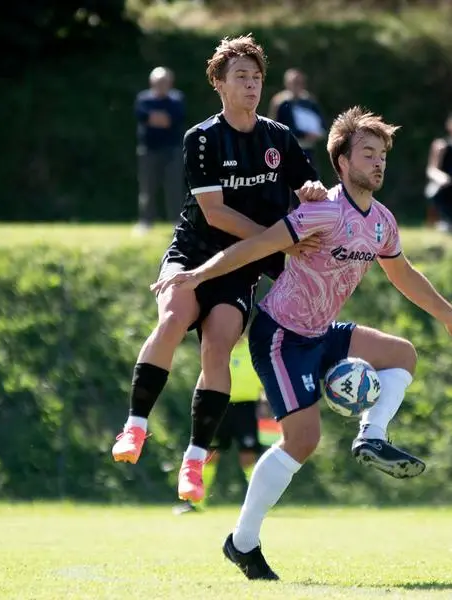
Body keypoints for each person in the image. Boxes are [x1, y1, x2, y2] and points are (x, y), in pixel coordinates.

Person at [156, 106, 452, 580]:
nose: (378, 162)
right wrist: (199, 273)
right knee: (303, 440)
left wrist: (450, 315)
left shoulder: (382, 221)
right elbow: (257, 246)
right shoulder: (320, 210)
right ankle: (243, 542)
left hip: (322, 332)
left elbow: (402, 274)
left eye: (382, 153)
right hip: (281, 334)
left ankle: (372, 436)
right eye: (367, 153)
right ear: (342, 162)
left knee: (402, 354)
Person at [111, 35, 328, 508]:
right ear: (219, 84)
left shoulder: (278, 138)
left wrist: (311, 188)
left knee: (219, 344)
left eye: (256, 78)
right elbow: (215, 213)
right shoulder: (202, 138)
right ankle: (135, 426)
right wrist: (274, 240)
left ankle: (193, 460)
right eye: (241, 78)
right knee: (172, 320)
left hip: (239, 267)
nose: (251, 86)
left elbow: (307, 185)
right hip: (193, 254)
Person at [174, 334, 280, 515]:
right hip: (219, 406)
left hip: (246, 409)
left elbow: (264, 380)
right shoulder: (219, 347)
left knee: (248, 456)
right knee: (209, 454)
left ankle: (262, 502)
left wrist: (265, 403)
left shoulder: (252, 349)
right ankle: (196, 502)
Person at [134, 67, 187, 233]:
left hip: (172, 150)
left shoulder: (177, 99)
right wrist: (161, 119)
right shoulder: (143, 99)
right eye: (158, 82)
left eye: (164, 82)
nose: (161, 85)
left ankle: (177, 221)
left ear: (170, 83)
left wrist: (155, 118)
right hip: (148, 150)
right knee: (147, 188)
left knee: (174, 187)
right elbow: (143, 116)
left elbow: (174, 119)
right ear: (152, 82)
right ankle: (146, 221)